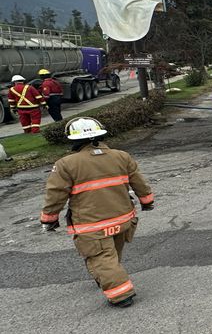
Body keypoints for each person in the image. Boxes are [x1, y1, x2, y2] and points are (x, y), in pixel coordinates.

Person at [39, 117, 154, 308]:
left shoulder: (66, 164)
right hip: (124, 219)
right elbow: (139, 183)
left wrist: (48, 219)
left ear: (73, 140)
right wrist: (147, 202)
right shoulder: (121, 156)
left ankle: (121, 295)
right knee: (111, 255)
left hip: (93, 225)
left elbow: (55, 194)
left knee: (102, 258)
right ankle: (106, 276)